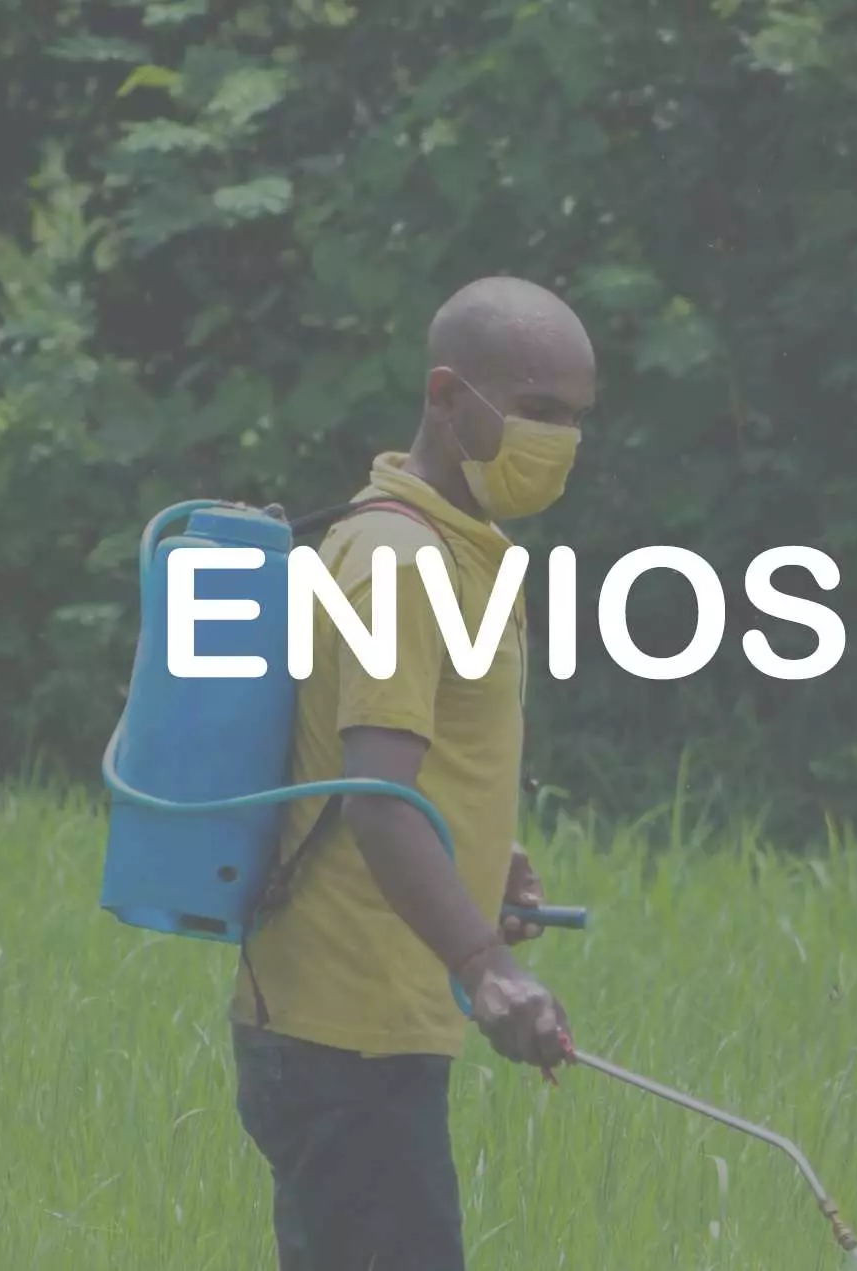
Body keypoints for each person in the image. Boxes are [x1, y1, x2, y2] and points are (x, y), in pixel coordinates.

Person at [227, 274, 597, 1271]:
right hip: (344, 1029)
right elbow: (379, 799)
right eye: (537, 409)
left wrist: (483, 860)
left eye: (574, 418)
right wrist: (485, 963)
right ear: (445, 395)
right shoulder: (399, 558)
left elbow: (412, 766)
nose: (559, 439)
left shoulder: (461, 550)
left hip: (371, 1025)